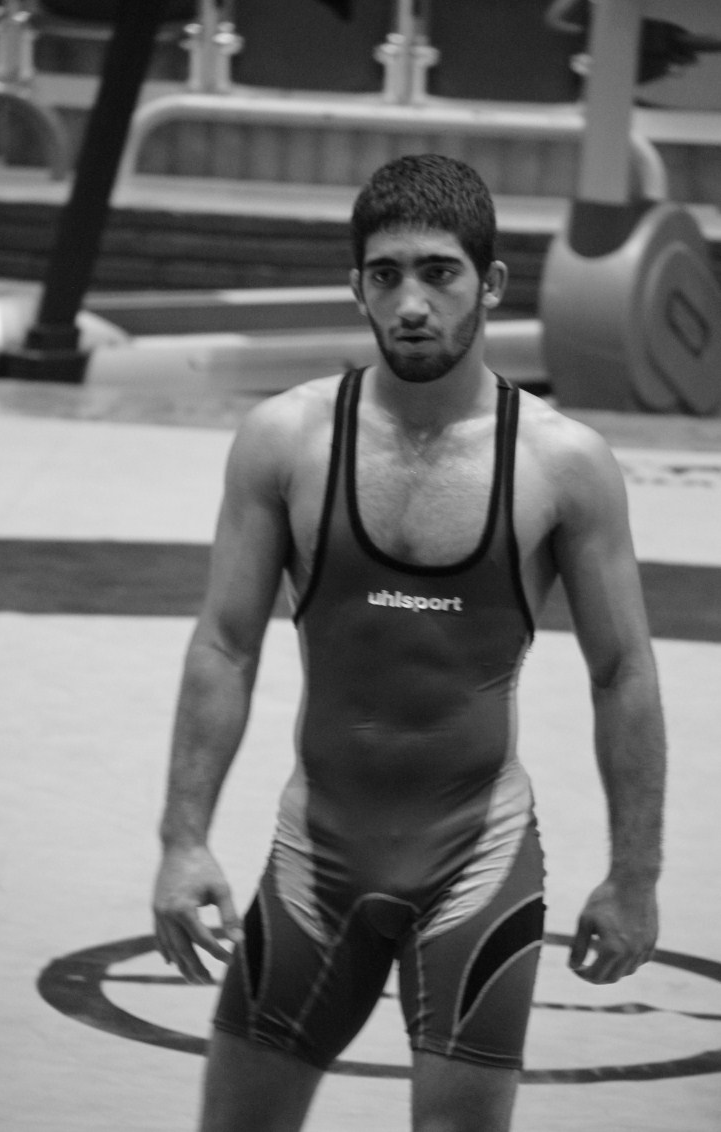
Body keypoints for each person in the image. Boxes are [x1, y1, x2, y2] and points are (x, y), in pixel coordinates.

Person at [152, 153, 666, 1132]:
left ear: (491, 283)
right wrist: (182, 840)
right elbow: (224, 646)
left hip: (476, 862)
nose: (412, 304)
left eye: (439, 273)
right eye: (385, 276)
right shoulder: (286, 440)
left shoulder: (562, 463)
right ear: (356, 286)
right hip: (314, 859)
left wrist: (633, 876)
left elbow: (622, 672)